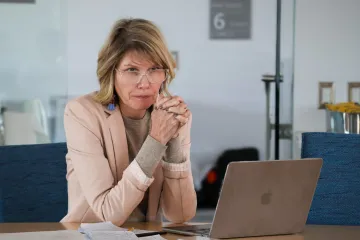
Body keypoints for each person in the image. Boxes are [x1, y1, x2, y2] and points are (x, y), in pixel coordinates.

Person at [60, 18, 197, 226]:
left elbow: (180, 215)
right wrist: (156, 140)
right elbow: (108, 215)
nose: (145, 83)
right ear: (111, 72)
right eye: (132, 70)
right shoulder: (82, 113)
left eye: (154, 69)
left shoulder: (173, 115)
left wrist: (174, 142)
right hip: (91, 235)